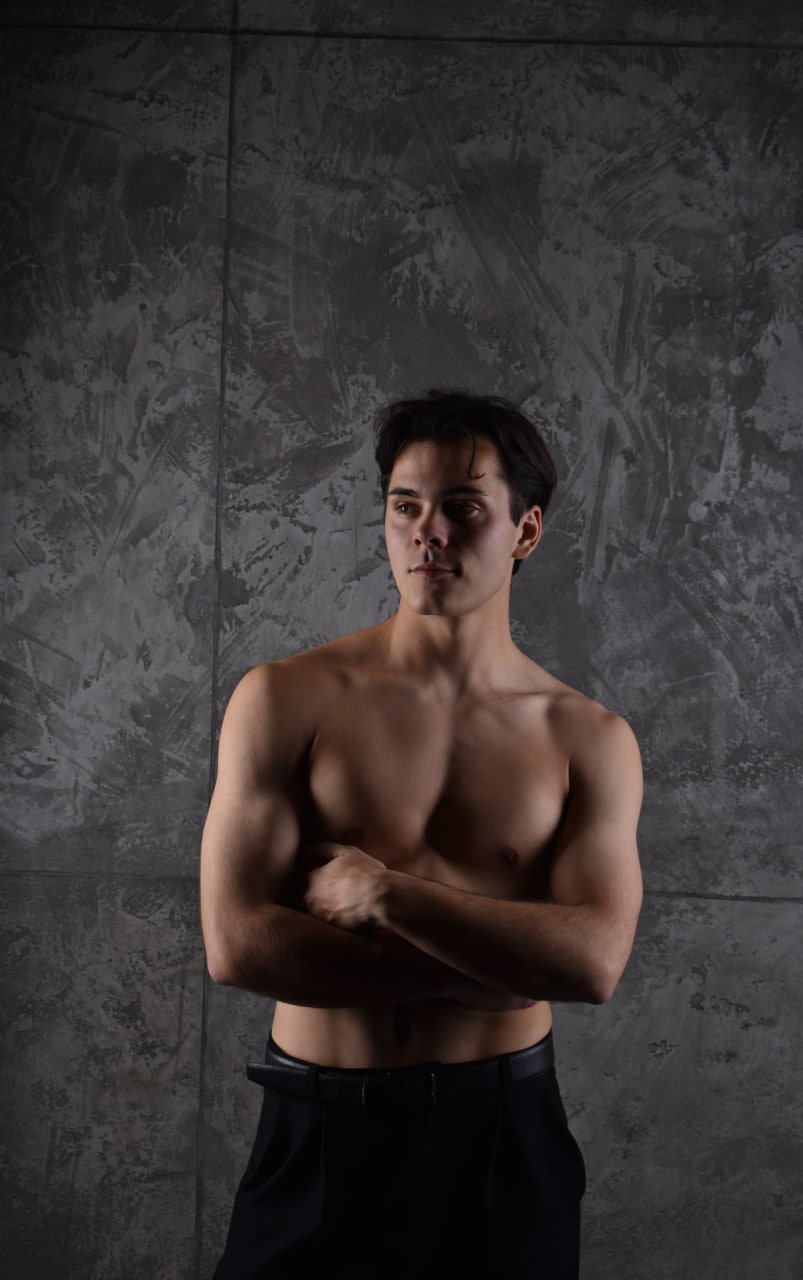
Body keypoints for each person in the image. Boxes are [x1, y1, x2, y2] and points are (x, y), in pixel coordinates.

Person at [201, 388, 644, 1280]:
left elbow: (594, 961)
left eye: (462, 509)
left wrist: (388, 896)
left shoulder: (587, 739)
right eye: (404, 506)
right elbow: (238, 944)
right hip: (320, 1128)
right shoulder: (284, 699)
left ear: (524, 531)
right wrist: (497, 969)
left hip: (501, 1140)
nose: (426, 534)